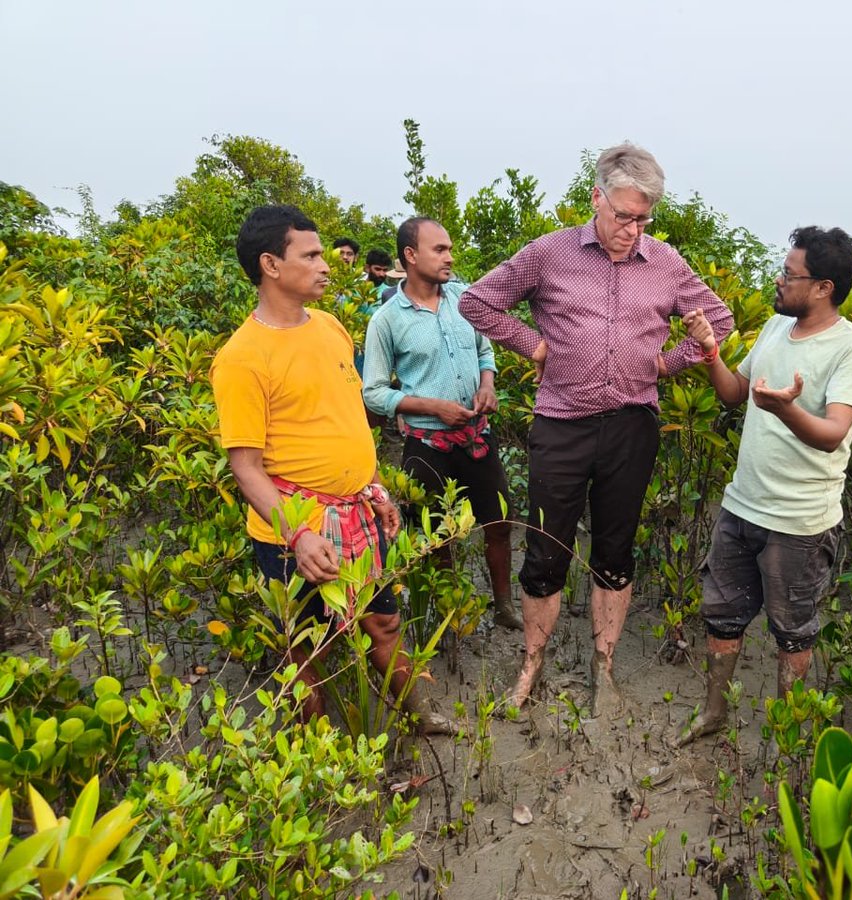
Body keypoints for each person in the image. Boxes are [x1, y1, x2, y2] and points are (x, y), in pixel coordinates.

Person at [459, 142, 734, 713]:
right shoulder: (549, 253)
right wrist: (533, 343)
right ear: (597, 199)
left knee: (615, 548)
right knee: (546, 549)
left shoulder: (667, 264)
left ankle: (603, 667)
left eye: (643, 220)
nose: (633, 229)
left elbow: (721, 320)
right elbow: (479, 302)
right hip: (562, 423)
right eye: (623, 215)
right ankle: (532, 664)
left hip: (632, 423)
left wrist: (669, 361)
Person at [211, 204, 449, 734]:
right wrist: (296, 533)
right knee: (305, 651)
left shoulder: (331, 327)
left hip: (357, 511)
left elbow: (344, 419)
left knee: (383, 622)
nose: (326, 265)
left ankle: (421, 718)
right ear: (271, 265)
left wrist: (375, 487)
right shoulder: (242, 358)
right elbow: (246, 468)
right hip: (295, 530)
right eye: (312, 255)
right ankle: (320, 754)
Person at [674, 226, 852, 746]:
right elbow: (734, 394)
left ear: (823, 288)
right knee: (722, 615)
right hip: (742, 506)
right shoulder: (773, 328)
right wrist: (709, 353)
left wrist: (785, 409)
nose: (780, 280)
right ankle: (714, 713)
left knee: (793, 629)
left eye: (790, 275)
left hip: (799, 523)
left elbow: (833, 435)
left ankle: (787, 734)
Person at [362, 217, 520, 631]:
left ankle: (503, 606)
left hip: (477, 438)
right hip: (427, 446)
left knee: (500, 522)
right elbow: (374, 392)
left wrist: (487, 386)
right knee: (439, 540)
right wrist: (434, 407)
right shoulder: (386, 320)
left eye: (450, 248)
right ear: (410, 256)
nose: (450, 257)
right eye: (439, 250)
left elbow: (486, 353)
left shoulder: (464, 298)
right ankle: (450, 620)